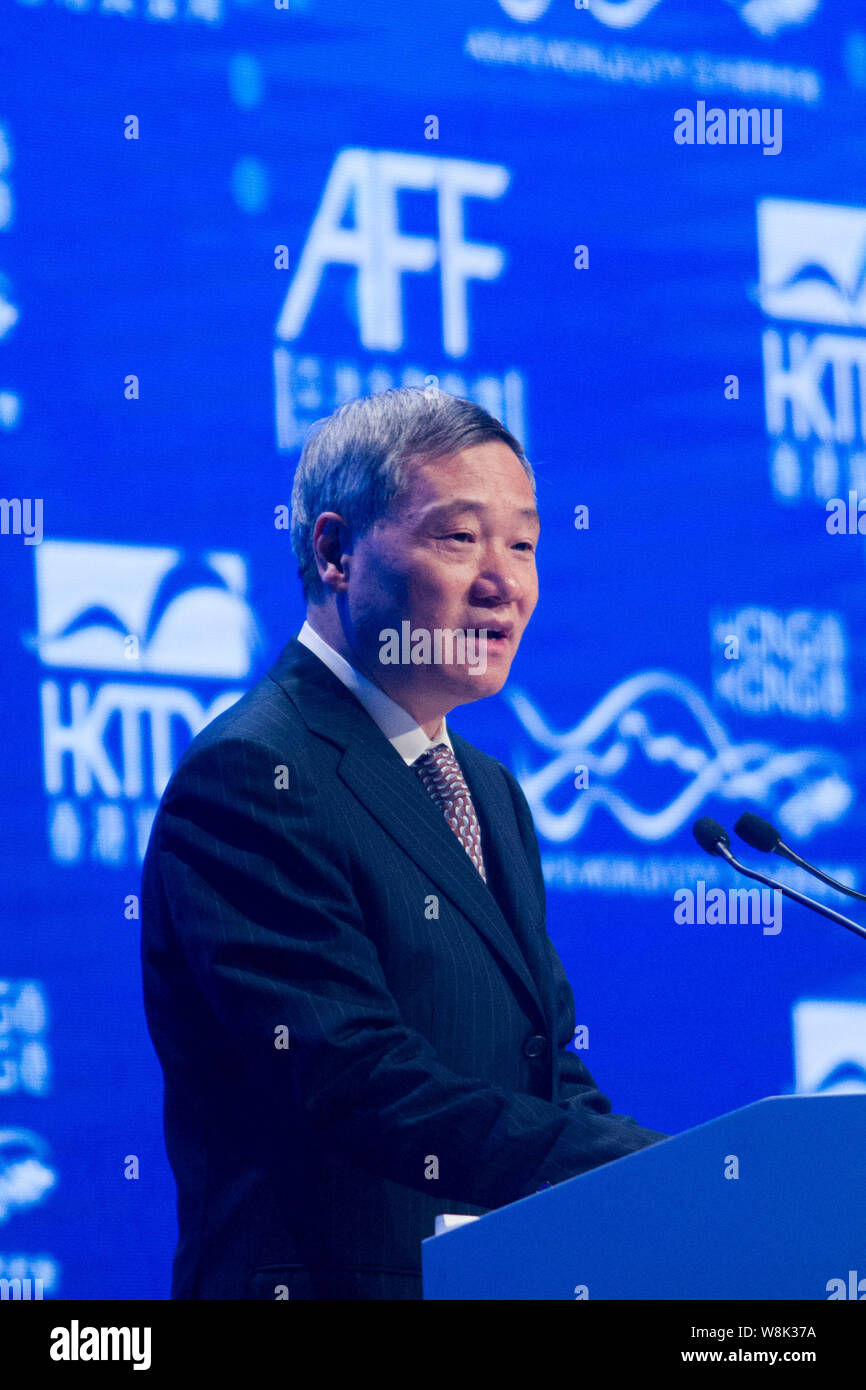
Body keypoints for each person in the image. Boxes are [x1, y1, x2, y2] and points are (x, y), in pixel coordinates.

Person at [140, 387, 667, 1301]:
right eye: (460, 539)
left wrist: (685, 1177)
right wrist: (636, 1168)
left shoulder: (489, 791)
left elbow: (541, 1070)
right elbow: (354, 1076)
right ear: (336, 552)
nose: (504, 582)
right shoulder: (254, 773)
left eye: (525, 544)